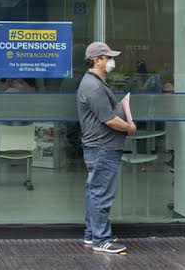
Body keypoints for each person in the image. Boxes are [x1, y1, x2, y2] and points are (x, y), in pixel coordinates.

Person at [77, 41, 136, 254]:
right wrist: (129, 127)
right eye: (108, 57)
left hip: (101, 147)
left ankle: (92, 234)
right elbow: (109, 119)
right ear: (97, 60)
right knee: (101, 194)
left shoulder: (95, 83)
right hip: (103, 147)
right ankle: (102, 239)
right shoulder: (93, 87)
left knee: (95, 192)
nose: (111, 61)